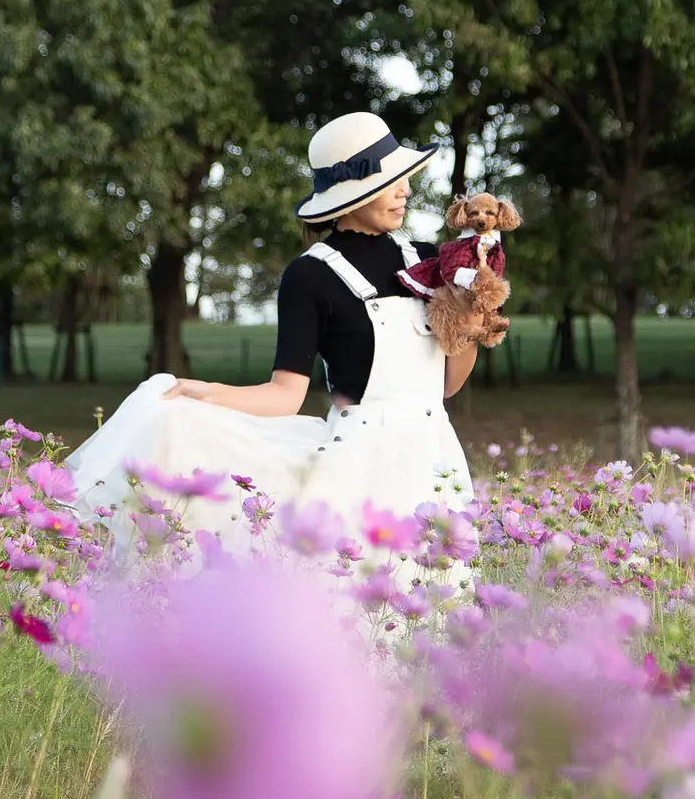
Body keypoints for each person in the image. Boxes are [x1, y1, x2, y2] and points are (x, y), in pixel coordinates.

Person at [64, 112, 479, 577]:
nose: (404, 190)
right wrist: (206, 393)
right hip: (360, 466)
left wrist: (472, 315)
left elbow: (446, 386)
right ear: (352, 192)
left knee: (438, 613)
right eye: (390, 180)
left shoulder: (430, 262)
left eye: (404, 179)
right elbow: (286, 394)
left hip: (434, 461)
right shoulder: (310, 276)